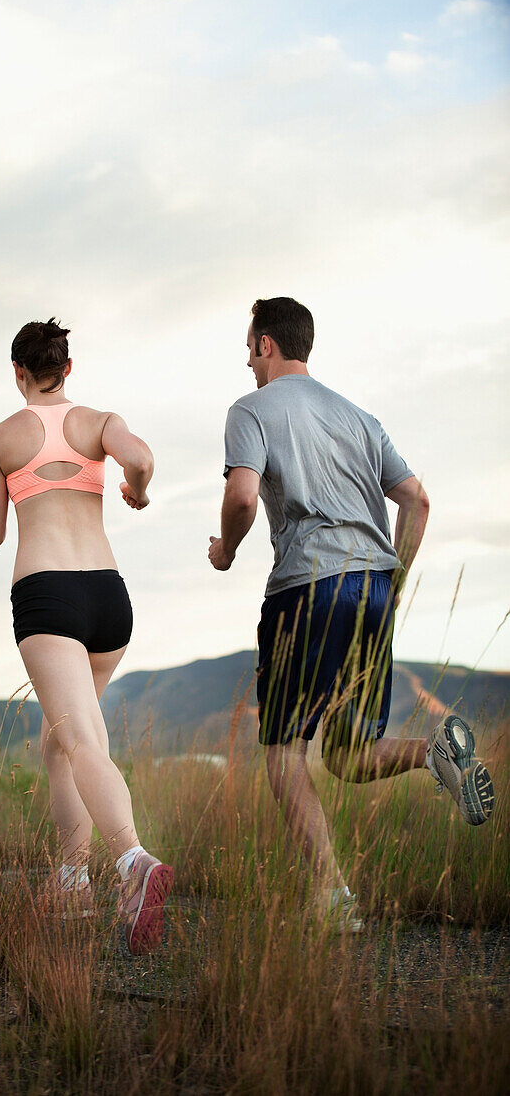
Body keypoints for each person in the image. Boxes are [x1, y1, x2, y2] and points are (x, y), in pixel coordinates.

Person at [208, 297, 495, 930]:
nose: (247, 361)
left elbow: (242, 494)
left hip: (306, 587)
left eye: (247, 347)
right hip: (371, 587)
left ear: (264, 346)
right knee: (344, 753)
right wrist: (392, 581)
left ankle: (333, 899)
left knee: (284, 755)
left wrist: (225, 549)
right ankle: (433, 753)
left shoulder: (250, 410)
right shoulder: (361, 418)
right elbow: (417, 501)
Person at [0, 317, 173, 954]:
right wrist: (135, 493)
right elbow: (141, 458)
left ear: (18, 373)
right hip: (107, 599)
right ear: (67, 370)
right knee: (60, 743)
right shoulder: (98, 421)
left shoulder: (0, 437)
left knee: (80, 740)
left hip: (48, 597)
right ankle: (71, 883)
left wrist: (16, 483)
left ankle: (132, 865)